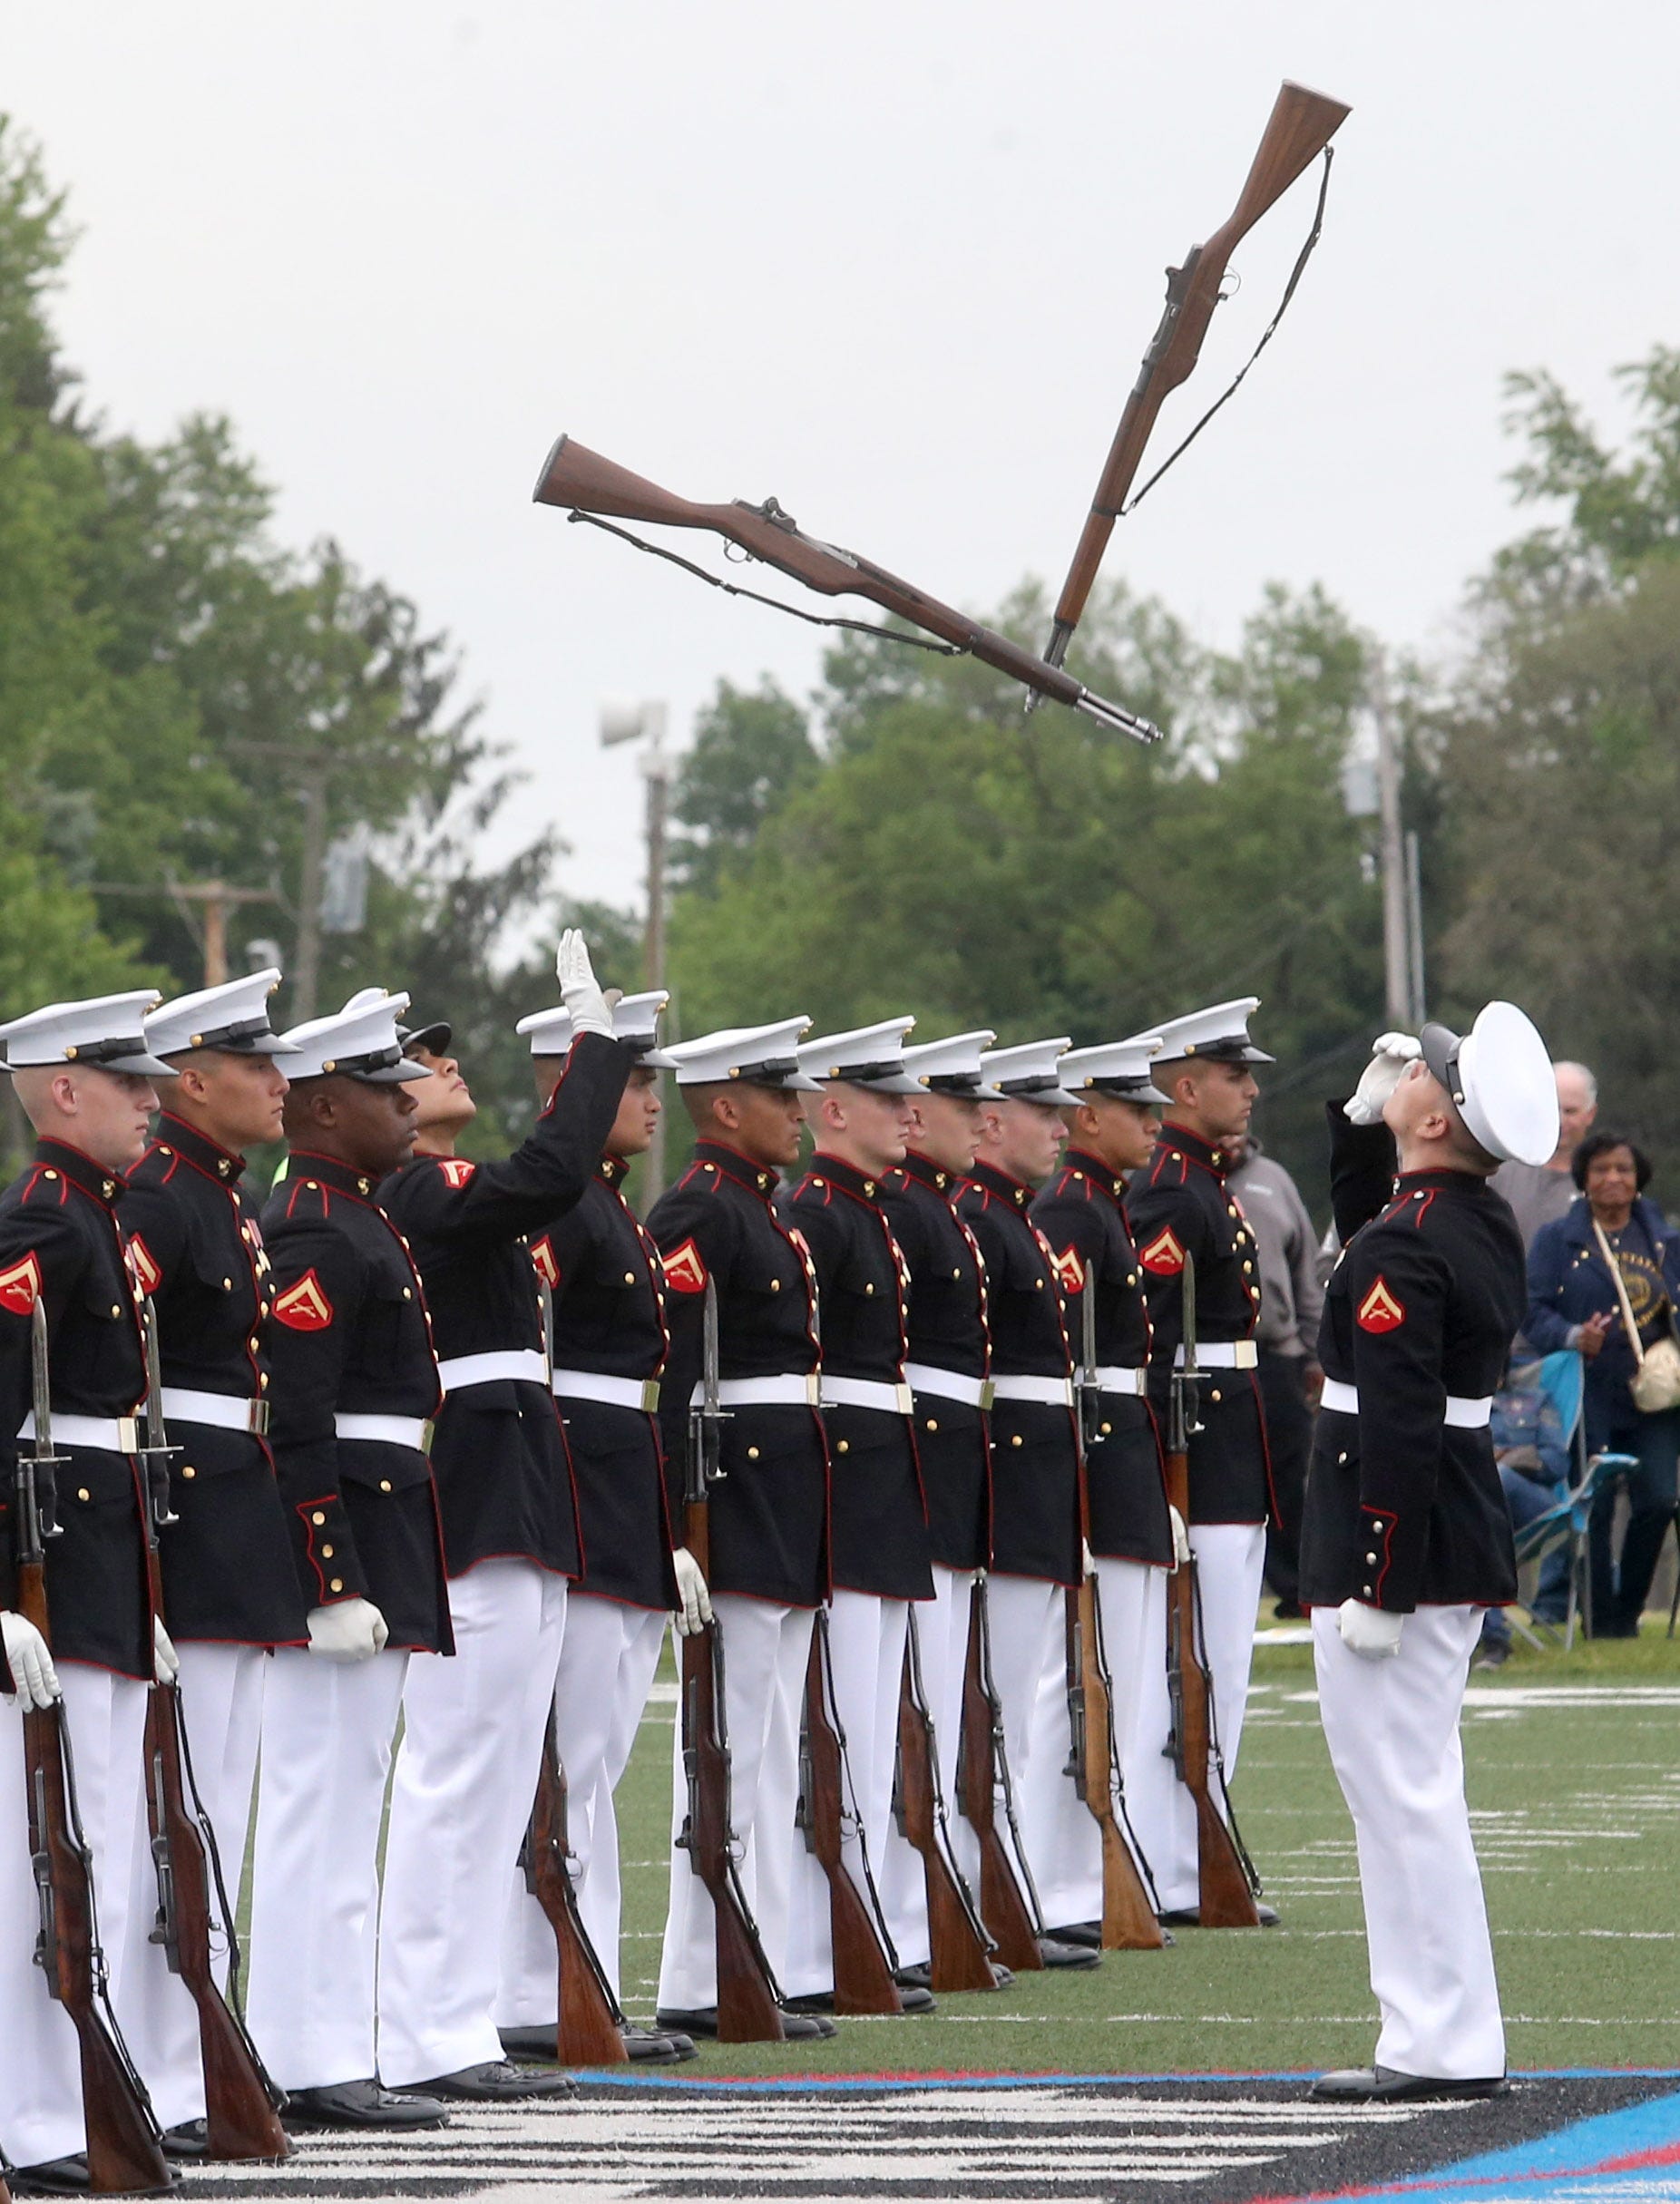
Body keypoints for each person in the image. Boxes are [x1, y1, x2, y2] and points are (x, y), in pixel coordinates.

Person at [374, 934, 636, 2102]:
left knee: (493, 1781)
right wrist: (594, 1049)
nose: (444, 1069)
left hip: (521, 1484)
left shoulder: (452, 1189)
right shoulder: (420, 1188)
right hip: (474, 1491)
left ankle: (458, 2019)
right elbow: (549, 1171)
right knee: (455, 1770)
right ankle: (417, 2025)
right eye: (418, 1064)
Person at [1303, 1005, 1558, 2103]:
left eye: (1427, 1072)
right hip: (1441, 1528)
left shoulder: (1416, 1235)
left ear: (1443, 1118)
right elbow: (1367, 1250)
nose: (1411, 1066)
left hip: (1401, 1539)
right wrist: (1366, 1129)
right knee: (1408, 1790)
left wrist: (1376, 1575)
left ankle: (1438, 2042)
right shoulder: (1458, 1216)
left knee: (1400, 1795)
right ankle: (1440, 2032)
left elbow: (1397, 1419)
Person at [245, 989, 454, 2131]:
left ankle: (328, 2044)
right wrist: (328, 1574)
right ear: (324, 1105)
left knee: (347, 1804)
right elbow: (300, 1419)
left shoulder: (357, 1214)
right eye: (384, 1089)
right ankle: (296, 2051)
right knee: (319, 1810)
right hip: (352, 1536)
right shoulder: (317, 1226)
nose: (409, 1103)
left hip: (389, 1519)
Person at [117, 970, 312, 2153]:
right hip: (183, 1499)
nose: (281, 1084)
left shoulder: (217, 1195)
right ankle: (153, 2065)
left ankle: (191, 2059)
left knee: (213, 1797)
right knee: (170, 1802)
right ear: (195, 1079)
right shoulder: (160, 1194)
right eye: (259, 1067)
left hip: (232, 1500)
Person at [0, 992, 181, 2194]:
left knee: (98, 1846)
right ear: (64, 1088)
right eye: (132, 1086)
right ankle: (27, 2118)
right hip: (48, 1578)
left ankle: (67, 2101)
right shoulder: (43, 1227)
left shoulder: (102, 1222)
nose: (155, 1103)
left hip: (107, 1573)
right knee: (32, 1859)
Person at [494, 991, 693, 2065]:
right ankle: (535, 1988)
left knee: (597, 1753)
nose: (652, 1101)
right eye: (630, 1080)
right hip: (575, 1478)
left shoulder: (604, 1204)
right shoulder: (557, 1208)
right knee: (559, 1757)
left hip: (621, 1486)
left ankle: (587, 1979)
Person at [648, 1020, 835, 2044]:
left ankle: (742, 1958)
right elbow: (672, 1372)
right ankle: (699, 1972)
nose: (798, 1112)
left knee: (763, 1745)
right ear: (725, 1105)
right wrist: (678, 1517)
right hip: (737, 1490)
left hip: (782, 1488)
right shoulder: (701, 1210)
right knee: (726, 1747)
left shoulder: (759, 1210)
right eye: (779, 1095)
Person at [782, 1020, 937, 2014]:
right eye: (889, 1101)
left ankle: (860, 1923)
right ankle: (817, 1943)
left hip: (883, 1485)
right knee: (835, 1729)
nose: (910, 1115)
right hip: (844, 1483)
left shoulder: (867, 1214)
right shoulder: (821, 1216)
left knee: (874, 1728)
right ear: (833, 1110)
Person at [1124, 998, 1276, 1927]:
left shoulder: (1201, 1184)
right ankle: (1174, 1865)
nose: (1251, 1090)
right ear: (1185, 1087)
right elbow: (1142, 1339)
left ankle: (1198, 1848)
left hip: (1225, 1438)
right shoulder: (1171, 1193)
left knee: (1220, 1664)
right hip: (1196, 1443)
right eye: (1234, 1075)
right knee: (1192, 1667)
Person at [1030, 1032, 1177, 1934]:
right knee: (1084, 1675)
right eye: (1137, 1108)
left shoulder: (1102, 1207)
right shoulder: (1071, 1214)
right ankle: (1066, 1881)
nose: (1155, 1124)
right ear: (1089, 1115)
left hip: (1125, 1442)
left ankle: (1106, 1866)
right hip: (1099, 1444)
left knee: (1123, 1670)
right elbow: (1070, 1355)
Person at [958, 1039, 1096, 1951]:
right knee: (1011, 1696)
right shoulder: (981, 1217)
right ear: (992, 1122)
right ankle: (1004, 1891)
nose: (1060, 1129)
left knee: (1039, 1689)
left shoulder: (1018, 1219)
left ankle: (1027, 1887)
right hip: (1009, 1472)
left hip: (1040, 1472)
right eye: (1042, 1114)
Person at [1523, 1128, 1680, 1636]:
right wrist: (1572, 1335)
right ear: (1584, 1180)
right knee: (1593, 1505)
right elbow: (1531, 1310)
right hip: (1588, 1395)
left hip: (1655, 1398)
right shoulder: (1558, 1240)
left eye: (1624, 1170)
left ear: (1639, 1181)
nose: (1613, 1178)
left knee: (1657, 1500)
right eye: (1601, 1170)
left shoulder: (1666, 1241)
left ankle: (1625, 1612)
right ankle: (1597, 1619)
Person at [1223, 1128, 1324, 1620]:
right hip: (1213, 1359)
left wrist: (1314, 1353)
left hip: (1276, 1352)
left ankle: (1297, 1586)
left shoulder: (1273, 1180)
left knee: (1288, 1472)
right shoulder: (1167, 1182)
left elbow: (1304, 1272)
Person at [1490, 1061, 1597, 1251]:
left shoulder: (1602, 1181)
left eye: (1570, 1111)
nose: (1560, 1120)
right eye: (1552, 1108)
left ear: (1590, 1114)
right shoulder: (1497, 1170)